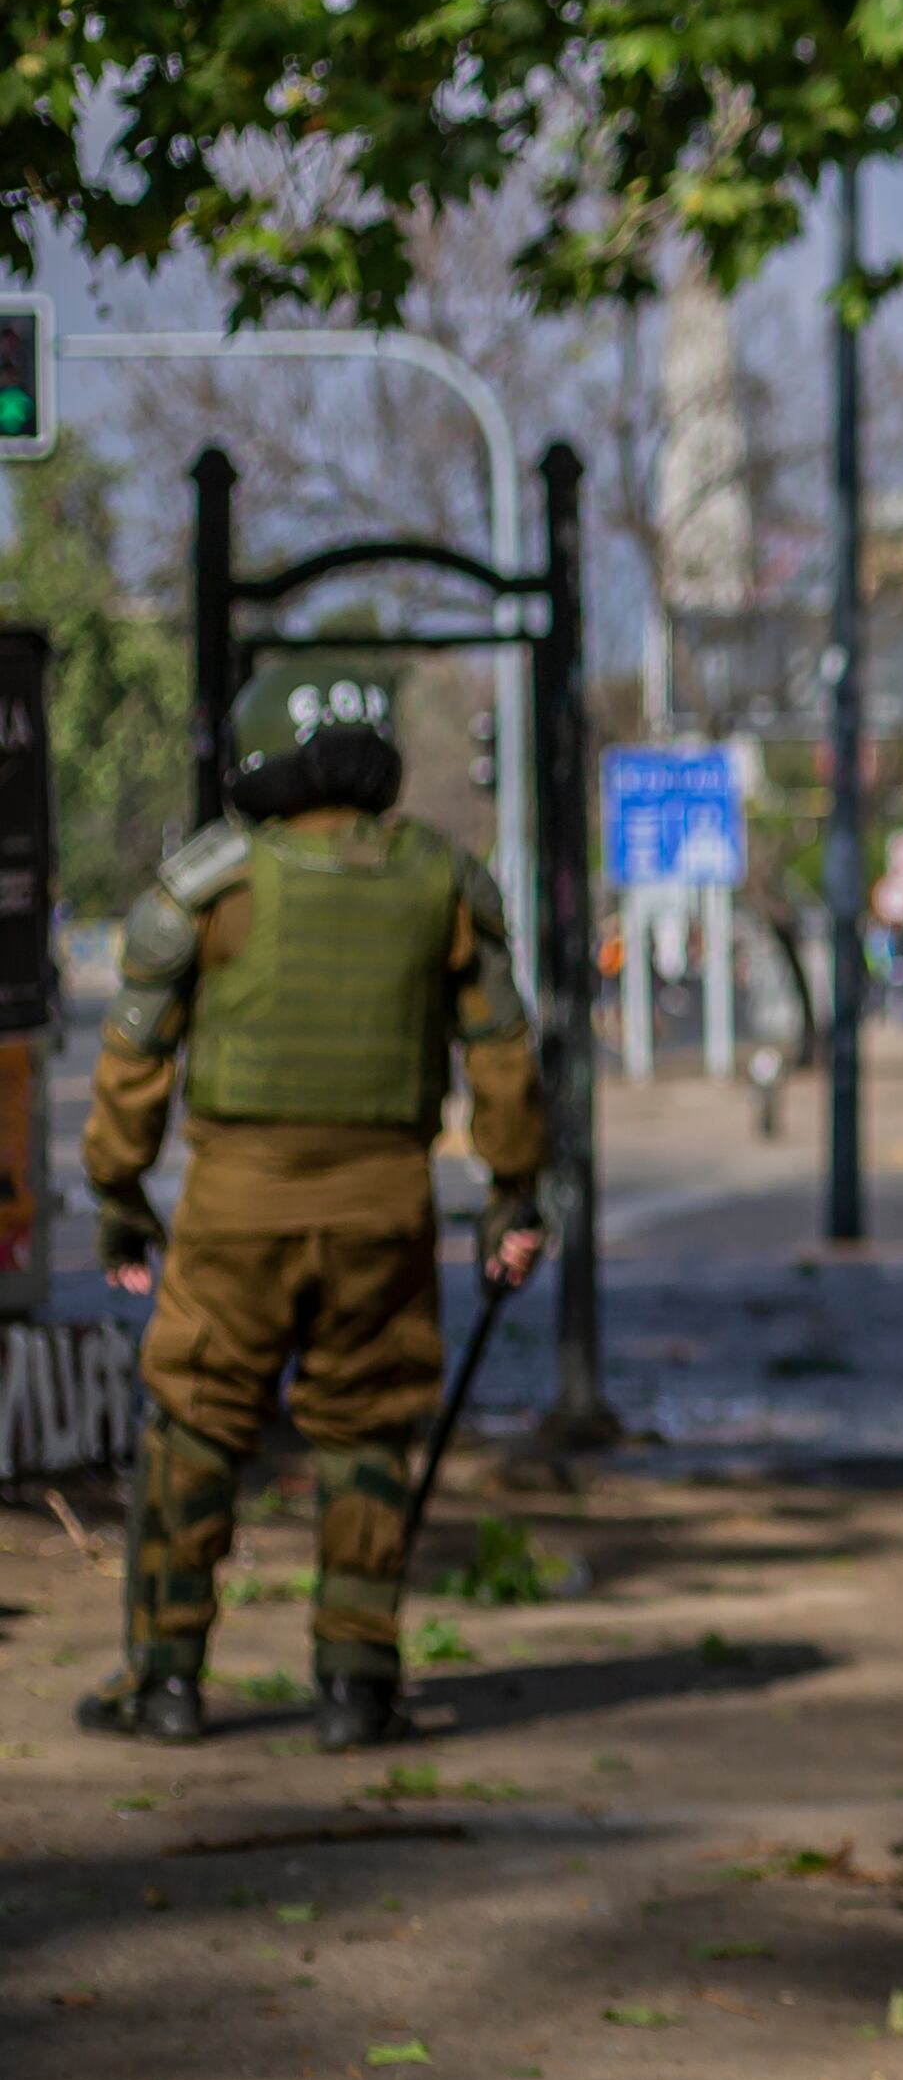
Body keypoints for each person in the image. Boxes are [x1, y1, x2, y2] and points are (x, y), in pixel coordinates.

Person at [81, 667, 548, 1749]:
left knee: (196, 1425)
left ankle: (165, 1682)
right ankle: (356, 1685)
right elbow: (502, 1053)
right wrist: (514, 1190)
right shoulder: (442, 879)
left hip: (236, 1204)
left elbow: (134, 1057)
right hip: (385, 1203)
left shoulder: (213, 883)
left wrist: (119, 1191)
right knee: (369, 1427)